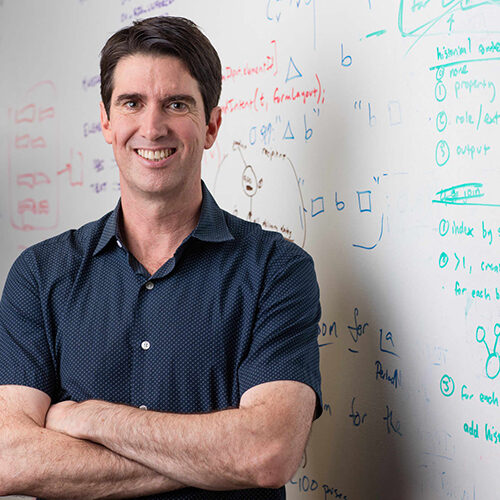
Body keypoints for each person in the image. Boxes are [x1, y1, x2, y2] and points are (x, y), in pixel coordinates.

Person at [0, 16, 322, 499]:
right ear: (107, 122)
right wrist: (215, 457)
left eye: (176, 104)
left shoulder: (277, 271)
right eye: (132, 103)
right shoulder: (40, 275)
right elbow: (10, 458)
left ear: (211, 125)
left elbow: (268, 453)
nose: (151, 127)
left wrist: (88, 417)